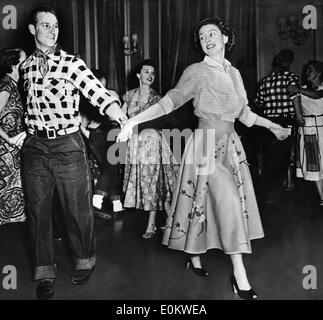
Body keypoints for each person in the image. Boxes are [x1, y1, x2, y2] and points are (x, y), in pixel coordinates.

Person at [117, 18, 289, 300]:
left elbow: (244, 114)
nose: (207, 38)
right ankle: (240, 274)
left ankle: (193, 254)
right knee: (229, 202)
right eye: (201, 36)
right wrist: (131, 122)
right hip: (206, 146)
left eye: (212, 33)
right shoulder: (196, 71)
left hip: (231, 146)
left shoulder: (234, 74)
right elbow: (169, 101)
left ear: (225, 38)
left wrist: (274, 126)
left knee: (202, 203)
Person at [20, 6, 127, 300]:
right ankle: (44, 271)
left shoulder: (71, 63)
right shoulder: (25, 67)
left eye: (55, 26)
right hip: (35, 147)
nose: (52, 30)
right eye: (45, 25)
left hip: (67, 144)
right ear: (32, 30)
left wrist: (117, 112)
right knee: (38, 212)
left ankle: (84, 261)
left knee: (77, 209)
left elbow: (96, 91)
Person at [121, 59, 179, 238]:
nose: (150, 76)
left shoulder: (157, 99)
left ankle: (151, 225)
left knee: (152, 183)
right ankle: (173, 223)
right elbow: (122, 119)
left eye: (153, 73)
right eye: (146, 72)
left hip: (152, 143)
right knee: (146, 184)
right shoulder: (128, 96)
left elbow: (156, 121)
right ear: (138, 74)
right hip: (134, 146)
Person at [254, 49, 302, 202]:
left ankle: (265, 192)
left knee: (269, 157)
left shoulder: (265, 81)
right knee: (282, 159)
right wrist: (299, 116)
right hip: (286, 122)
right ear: (288, 63)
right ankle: (273, 195)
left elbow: (258, 102)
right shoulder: (292, 78)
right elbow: (295, 97)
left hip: (268, 123)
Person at [80, 69, 124, 219]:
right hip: (96, 136)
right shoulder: (85, 98)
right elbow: (81, 122)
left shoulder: (110, 94)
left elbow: (116, 116)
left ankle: (115, 204)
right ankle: (99, 200)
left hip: (109, 135)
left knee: (110, 165)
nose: (102, 89)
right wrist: (87, 133)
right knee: (111, 165)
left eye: (103, 85)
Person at [289, 60, 323, 204]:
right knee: (313, 164)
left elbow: (317, 95)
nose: (307, 73)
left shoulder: (318, 88)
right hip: (308, 129)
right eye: (306, 70)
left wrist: (298, 90)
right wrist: (298, 115)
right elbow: (295, 99)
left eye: (310, 70)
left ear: (319, 73)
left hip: (322, 127)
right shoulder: (302, 89)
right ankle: (322, 197)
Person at [0, 48, 27, 225]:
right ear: (14, 64)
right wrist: (9, 139)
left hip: (13, 150)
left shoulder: (14, 85)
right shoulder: (6, 86)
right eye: (24, 60)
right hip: (4, 151)